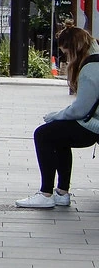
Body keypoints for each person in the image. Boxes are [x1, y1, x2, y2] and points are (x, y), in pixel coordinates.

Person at [15, 26, 99, 208]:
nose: (66, 59)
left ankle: (46, 194)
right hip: (95, 122)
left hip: (94, 126)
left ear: (74, 49)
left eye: (66, 53)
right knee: (59, 136)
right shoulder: (95, 58)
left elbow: (80, 110)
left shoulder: (91, 68)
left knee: (43, 134)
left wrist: (56, 116)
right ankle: (61, 193)